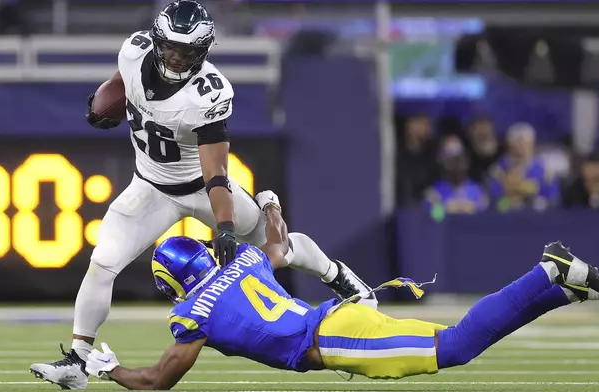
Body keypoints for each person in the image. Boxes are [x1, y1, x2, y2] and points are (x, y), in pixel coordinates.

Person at [29, 2, 374, 389]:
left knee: (277, 244)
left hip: (200, 187)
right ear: (158, 41)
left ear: (203, 52)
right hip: (149, 186)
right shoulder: (134, 50)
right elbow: (121, 83)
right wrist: (102, 103)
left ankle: (338, 275)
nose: (176, 57)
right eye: (171, 47)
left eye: (187, 51)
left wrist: (225, 226)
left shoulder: (207, 93)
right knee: (103, 262)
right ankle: (78, 359)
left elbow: (216, 172)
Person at [71, 190, 599, 390]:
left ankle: (550, 275)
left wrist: (107, 369)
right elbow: (279, 241)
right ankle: (563, 289)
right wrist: (268, 203)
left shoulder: (191, 312)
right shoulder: (243, 261)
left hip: (334, 336)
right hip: (335, 320)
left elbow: (159, 380)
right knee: (452, 345)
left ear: (173, 283)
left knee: (455, 346)